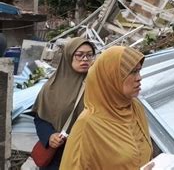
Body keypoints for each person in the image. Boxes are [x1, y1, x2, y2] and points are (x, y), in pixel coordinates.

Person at [60, 46, 153, 170]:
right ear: (111, 77)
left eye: (139, 71)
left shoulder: (135, 107)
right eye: (132, 72)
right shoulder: (87, 125)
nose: (139, 78)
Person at [32, 37, 96, 170]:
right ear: (68, 56)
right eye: (79, 55)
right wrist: (50, 136)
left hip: (89, 155)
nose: (85, 59)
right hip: (58, 156)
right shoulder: (52, 87)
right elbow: (40, 118)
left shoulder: (98, 85)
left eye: (89, 55)